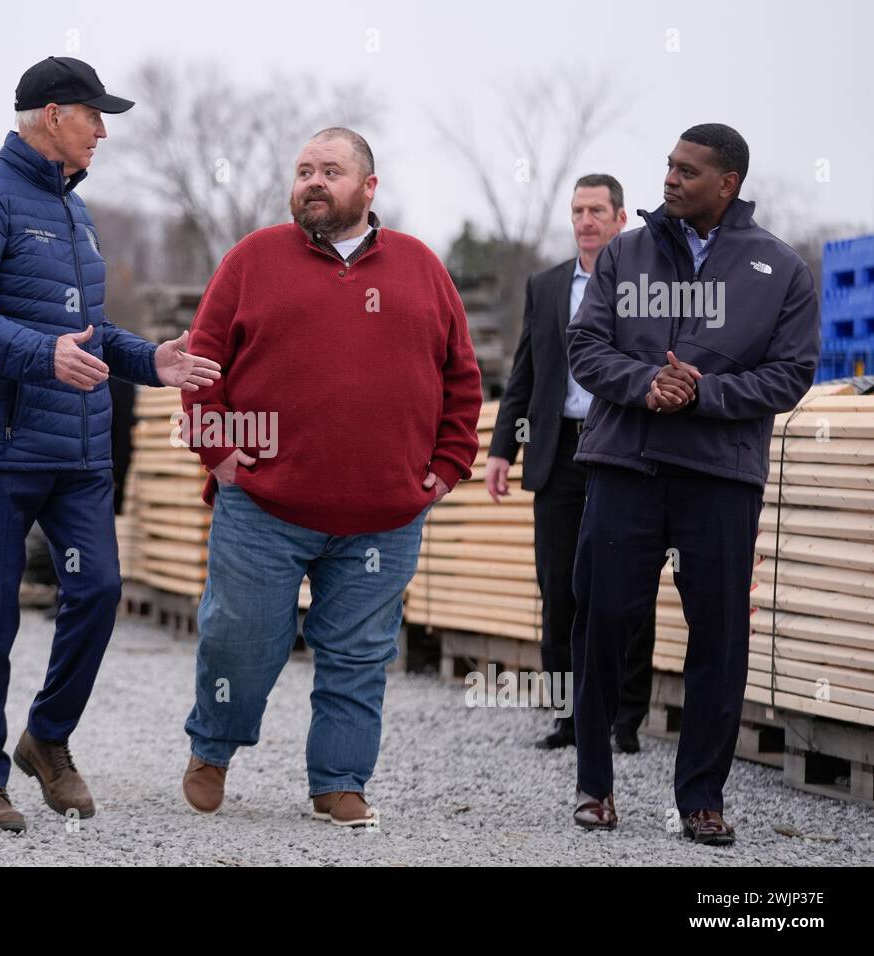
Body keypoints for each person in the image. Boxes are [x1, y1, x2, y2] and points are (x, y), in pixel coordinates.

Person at [0, 56, 220, 833]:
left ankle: (47, 738)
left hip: (79, 452)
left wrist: (149, 360)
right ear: (52, 115)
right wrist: (40, 354)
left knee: (95, 593)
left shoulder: (76, 211)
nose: (102, 131)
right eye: (95, 116)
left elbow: (88, 333)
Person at [179, 128, 483, 827]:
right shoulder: (252, 259)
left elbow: (462, 380)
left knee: (360, 656)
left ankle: (338, 782)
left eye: (331, 171)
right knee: (241, 640)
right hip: (264, 505)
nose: (314, 181)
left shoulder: (421, 267)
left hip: (385, 516)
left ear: (369, 187)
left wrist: (443, 471)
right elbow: (202, 364)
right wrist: (219, 454)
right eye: (305, 171)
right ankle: (214, 747)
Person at [565, 124, 819, 845]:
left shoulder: (780, 269)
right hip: (625, 466)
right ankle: (594, 785)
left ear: (727, 183)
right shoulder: (626, 251)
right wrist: (646, 384)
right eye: (669, 166)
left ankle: (701, 799)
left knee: (719, 637)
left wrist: (703, 393)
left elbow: (792, 373)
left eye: (687, 170)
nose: (670, 178)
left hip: (720, 476)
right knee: (604, 621)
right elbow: (586, 344)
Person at [488, 174, 656, 754]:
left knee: (625, 588)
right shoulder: (547, 285)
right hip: (558, 451)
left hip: (623, 449)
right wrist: (502, 450)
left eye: (596, 211)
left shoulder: (646, 284)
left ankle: (625, 719)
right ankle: (568, 717)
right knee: (558, 590)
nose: (585, 221)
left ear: (619, 219)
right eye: (578, 210)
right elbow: (524, 376)